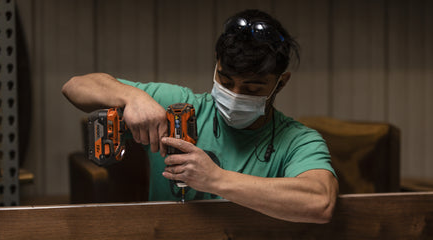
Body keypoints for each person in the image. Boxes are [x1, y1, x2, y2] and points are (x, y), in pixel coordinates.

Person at [62, 9, 338, 223]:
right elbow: (75, 87)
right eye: (226, 81)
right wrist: (132, 97)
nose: (235, 94)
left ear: (282, 82)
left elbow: (320, 203)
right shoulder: (178, 107)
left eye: (253, 88)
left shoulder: (298, 141)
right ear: (216, 63)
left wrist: (215, 179)